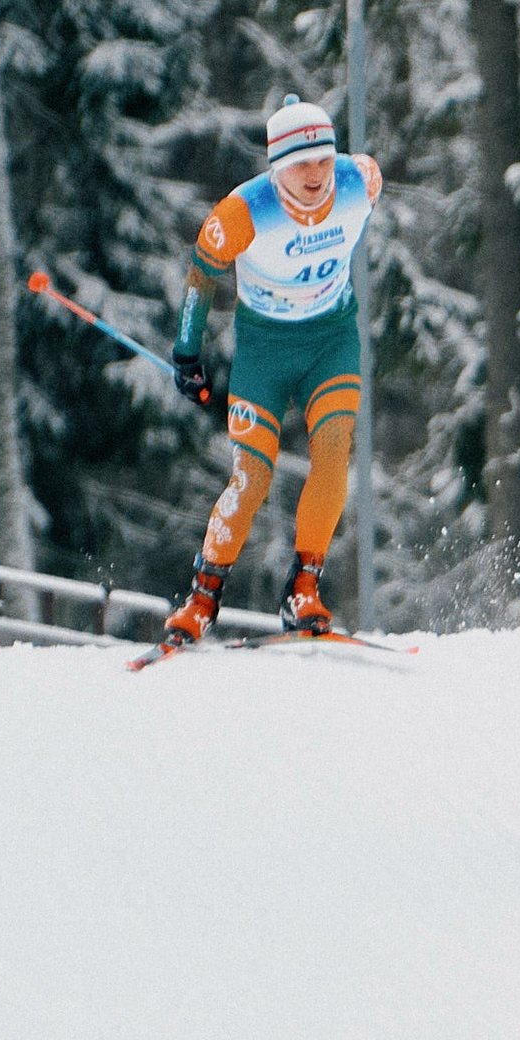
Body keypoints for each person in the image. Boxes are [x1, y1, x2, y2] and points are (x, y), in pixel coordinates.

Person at [161, 96, 384, 646]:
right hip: (263, 352)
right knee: (252, 477)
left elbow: (360, 171)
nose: (315, 176)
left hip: (331, 339)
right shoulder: (240, 213)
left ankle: (304, 586)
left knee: (333, 453)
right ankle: (202, 599)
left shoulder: (361, 183)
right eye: (299, 164)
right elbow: (200, 276)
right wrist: (187, 353)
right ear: (275, 166)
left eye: (323, 160)